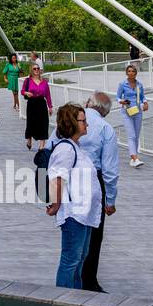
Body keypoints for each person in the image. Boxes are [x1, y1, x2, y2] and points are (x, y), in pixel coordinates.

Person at [46, 103, 101, 289]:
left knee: (80, 259)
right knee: (71, 259)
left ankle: (76, 298)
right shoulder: (66, 149)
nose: (86, 124)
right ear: (71, 123)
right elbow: (56, 176)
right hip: (73, 214)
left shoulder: (75, 147)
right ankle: (63, 302)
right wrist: (55, 204)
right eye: (83, 121)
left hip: (83, 214)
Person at [79, 92, 119, 293]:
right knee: (94, 233)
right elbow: (110, 170)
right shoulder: (106, 128)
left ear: (88, 103)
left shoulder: (69, 119)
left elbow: (50, 148)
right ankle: (88, 281)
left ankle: (71, 277)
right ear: (105, 112)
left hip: (70, 180)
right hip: (94, 181)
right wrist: (110, 200)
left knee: (72, 231)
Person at [116, 64, 148, 167]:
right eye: (129, 71)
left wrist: (146, 102)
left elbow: (143, 97)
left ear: (136, 73)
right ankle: (135, 158)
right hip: (127, 111)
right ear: (126, 73)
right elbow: (117, 97)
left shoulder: (139, 85)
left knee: (136, 136)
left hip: (138, 111)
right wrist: (121, 101)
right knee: (132, 135)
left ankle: (134, 158)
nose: (131, 73)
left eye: (133, 71)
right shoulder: (122, 84)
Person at [21, 64, 53, 151]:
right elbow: (22, 91)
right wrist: (27, 93)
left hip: (41, 103)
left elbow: (48, 95)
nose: (36, 70)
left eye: (38, 68)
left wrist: (50, 107)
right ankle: (29, 139)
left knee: (43, 123)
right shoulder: (28, 81)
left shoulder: (44, 82)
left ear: (40, 70)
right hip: (32, 103)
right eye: (34, 68)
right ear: (31, 70)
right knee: (31, 123)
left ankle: (42, 145)